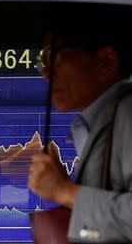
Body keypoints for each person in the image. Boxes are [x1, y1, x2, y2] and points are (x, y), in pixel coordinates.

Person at [28, 21, 132, 243]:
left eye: (54, 56)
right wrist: (70, 191)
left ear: (105, 61)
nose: (45, 72)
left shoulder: (128, 112)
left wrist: (64, 191)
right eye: (42, 61)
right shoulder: (105, 120)